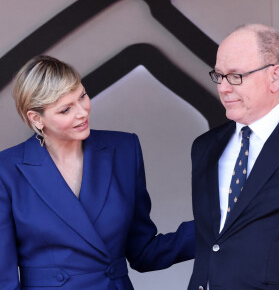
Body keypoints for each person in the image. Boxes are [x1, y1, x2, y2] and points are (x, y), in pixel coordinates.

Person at [0, 55, 195, 290]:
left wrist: (219, 226)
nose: (82, 112)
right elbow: (4, 279)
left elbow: (144, 252)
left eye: (82, 96)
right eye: (65, 110)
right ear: (36, 118)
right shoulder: (7, 170)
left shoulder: (124, 149)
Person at [188, 23, 279, 290]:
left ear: (275, 76)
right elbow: (213, 239)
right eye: (219, 76)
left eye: (236, 76)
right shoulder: (204, 147)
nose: (224, 88)